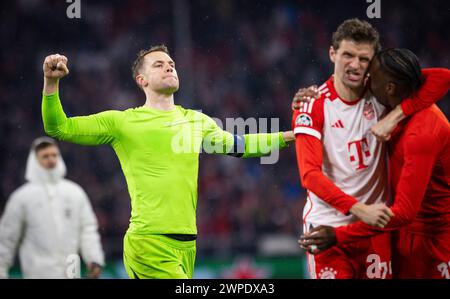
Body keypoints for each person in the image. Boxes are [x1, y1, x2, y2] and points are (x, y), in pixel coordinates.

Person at [40, 45, 294, 279]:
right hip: (149, 243)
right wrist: (51, 83)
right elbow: (59, 127)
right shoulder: (122, 122)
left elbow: (241, 147)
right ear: (142, 80)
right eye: (158, 64)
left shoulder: (196, 121)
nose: (169, 66)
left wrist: (287, 137)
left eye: (171, 63)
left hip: (187, 245)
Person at [291, 19, 442, 279]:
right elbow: (309, 175)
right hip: (329, 229)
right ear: (332, 53)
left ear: (373, 63)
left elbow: (441, 78)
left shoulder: (384, 97)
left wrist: (395, 116)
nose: (355, 65)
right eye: (347, 55)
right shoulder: (312, 105)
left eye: (364, 59)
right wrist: (360, 210)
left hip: (374, 232)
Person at [0, 137, 104, 279]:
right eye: (45, 156)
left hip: (71, 273)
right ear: (34, 161)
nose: (51, 160)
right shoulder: (21, 198)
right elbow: (6, 239)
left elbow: (88, 229)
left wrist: (94, 259)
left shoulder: (75, 192)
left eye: (54, 155)